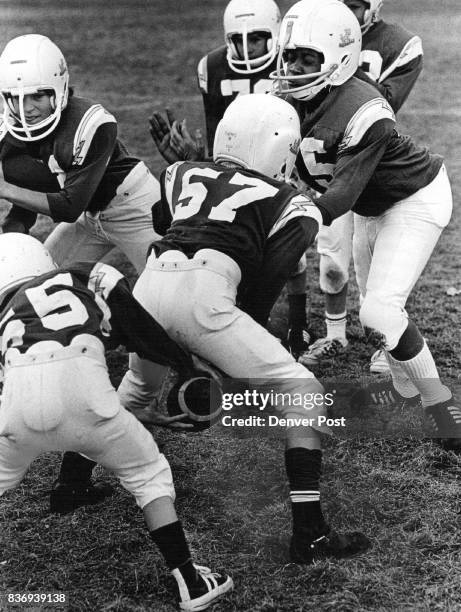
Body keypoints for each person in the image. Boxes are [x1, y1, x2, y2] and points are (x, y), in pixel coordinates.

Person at [120, 93, 371, 563]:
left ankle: (70, 481)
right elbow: (258, 296)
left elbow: (165, 221)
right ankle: (310, 534)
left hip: (150, 286)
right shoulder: (292, 202)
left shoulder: (179, 172)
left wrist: (185, 355)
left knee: (137, 386)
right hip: (207, 290)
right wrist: (214, 355)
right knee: (304, 393)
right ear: (283, 148)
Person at [0, 234, 233, 611]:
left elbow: (36, 389)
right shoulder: (87, 276)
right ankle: (191, 583)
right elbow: (138, 329)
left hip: (15, 408)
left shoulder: (5, 316)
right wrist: (185, 365)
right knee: (149, 473)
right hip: (89, 398)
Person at [270, 0, 460, 450]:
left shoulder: (363, 106)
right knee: (376, 318)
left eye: (308, 58)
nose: (294, 67)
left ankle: (442, 407)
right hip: (372, 207)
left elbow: (336, 198)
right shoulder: (285, 99)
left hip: (415, 199)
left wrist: (279, 222)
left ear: (339, 59)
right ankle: (403, 388)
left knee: (379, 311)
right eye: (290, 55)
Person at [299, 0, 424, 372]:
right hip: (327, 155)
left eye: (354, 5)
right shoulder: (315, 32)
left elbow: (382, 102)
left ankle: (383, 340)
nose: (347, 12)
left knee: (372, 263)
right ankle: (335, 334)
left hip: (369, 155)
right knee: (333, 260)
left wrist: (344, 67)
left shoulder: (400, 43)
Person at [0, 34, 159, 274]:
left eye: (37, 95)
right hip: (88, 217)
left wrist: (4, 189)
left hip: (134, 209)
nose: (26, 108)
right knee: (38, 280)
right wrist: (13, 244)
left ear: (59, 88)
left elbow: (69, 207)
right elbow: (25, 201)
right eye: (16, 98)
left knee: (166, 297)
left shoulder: (92, 123)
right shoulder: (9, 134)